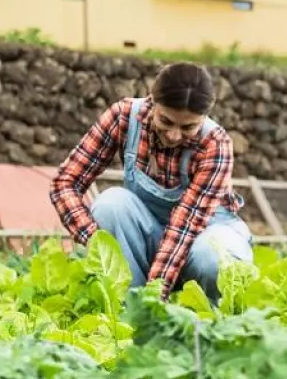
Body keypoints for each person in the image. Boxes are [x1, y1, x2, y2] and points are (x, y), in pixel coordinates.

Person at [49, 61, 253, 302]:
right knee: (111, 204)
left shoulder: (215, 143)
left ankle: (208, 324)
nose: (174, 135)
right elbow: (64, 183)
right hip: (150, 236)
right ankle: (128, 308)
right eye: (166, 121)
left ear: (204, 117)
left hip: (203, 236)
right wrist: (95, 241)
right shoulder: (123, 117)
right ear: (153, 101)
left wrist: (155, 298)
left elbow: (184, 225)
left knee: (212, 256)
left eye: (188, 127)